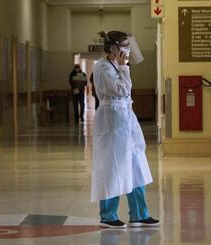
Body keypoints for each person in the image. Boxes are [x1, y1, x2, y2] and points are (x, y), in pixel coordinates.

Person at [91, 30, 159, 229]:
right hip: (111, 118)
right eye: (124, 45)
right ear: (113, 48)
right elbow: (121, 89)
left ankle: (139, 213)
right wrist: (124, 69)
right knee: (113, 165)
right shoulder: (102, 67)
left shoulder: (117, 66)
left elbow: (125, 90)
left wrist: (123, 68)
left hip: (125, 116)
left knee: (136, 165)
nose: (127, 50)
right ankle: (108, 215)